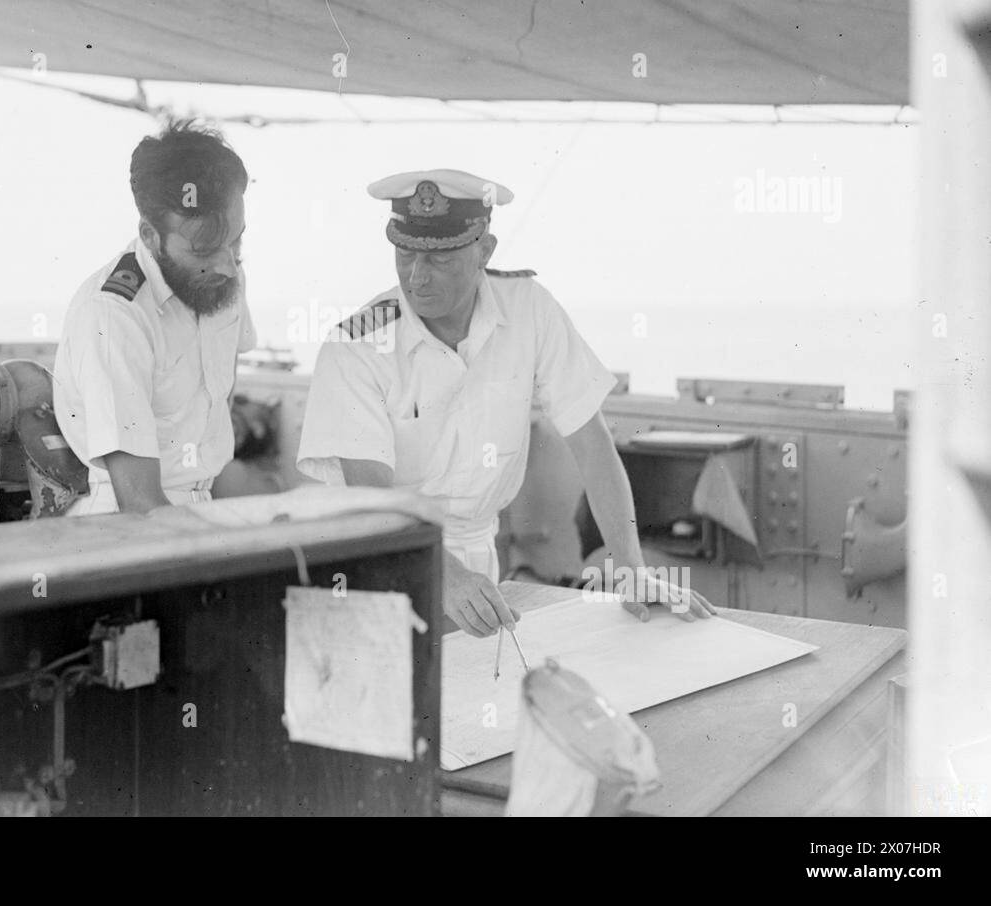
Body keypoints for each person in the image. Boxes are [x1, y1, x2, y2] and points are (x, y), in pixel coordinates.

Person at [296, 169, 714, 636]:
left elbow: (592, 444)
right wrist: (448, 578)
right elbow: (371, 497)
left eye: (439, 257)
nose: (418, 276)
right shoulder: (355, 345)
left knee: (471, 695)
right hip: (382, 558)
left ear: (484, 250)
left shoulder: (529, 309)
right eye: (405, 253)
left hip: (478, 556)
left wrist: (632, 567)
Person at [53, 119, 255, 514]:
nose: (228, 266)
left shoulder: (221, 274)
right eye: (203, 251)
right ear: (150, 236)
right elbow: (140, 503)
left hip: (201, 508)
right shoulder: (114, 316)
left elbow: (218, 399)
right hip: (128, 526)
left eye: (236, 240)